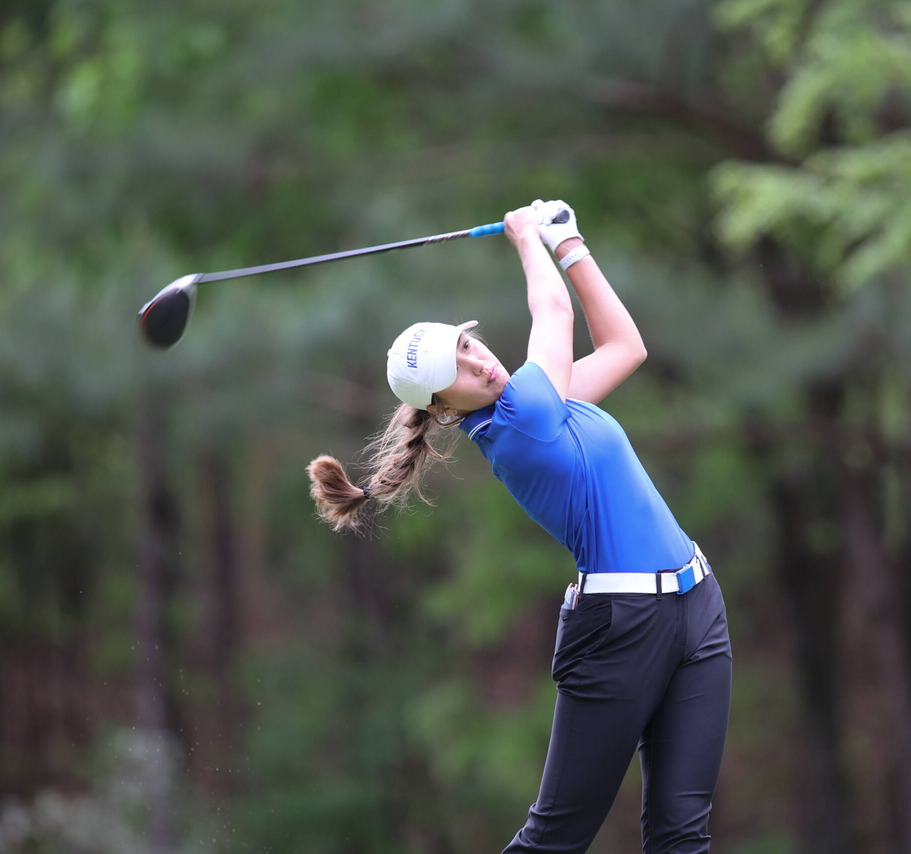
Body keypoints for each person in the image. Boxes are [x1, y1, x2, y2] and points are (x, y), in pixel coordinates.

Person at [307, 200, 732, 854]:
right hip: (620, 628)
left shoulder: (545, 400)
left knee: (683, 832)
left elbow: (626, 347)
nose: (481, 363)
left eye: (469, 345)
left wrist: (571, 244)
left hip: (698, 608)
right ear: (444, 407)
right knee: (557, 836)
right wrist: (527, 236)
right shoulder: (523, 422)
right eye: (460, 372)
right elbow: (555, 313)